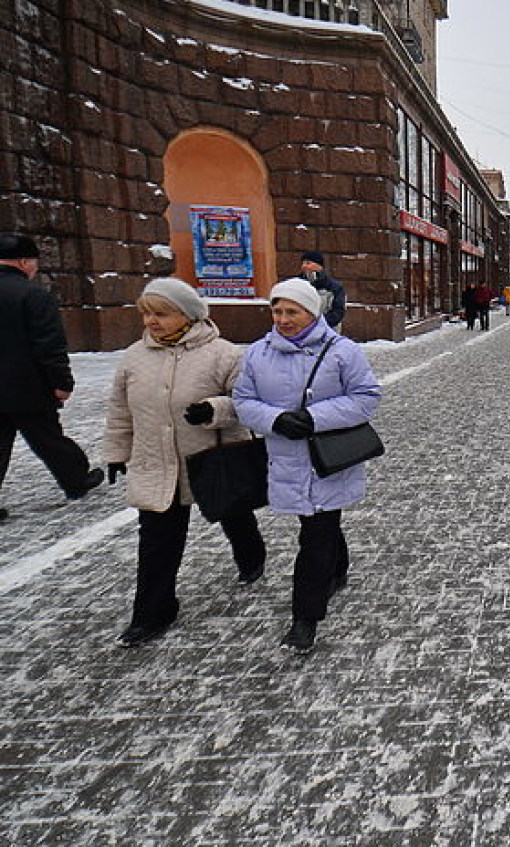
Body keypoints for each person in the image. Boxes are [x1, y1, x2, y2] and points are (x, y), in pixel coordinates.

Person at [104, 278, 266, 647]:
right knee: (157, 542)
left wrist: (215, 410)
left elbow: (248, 403)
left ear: (189, 315)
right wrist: (116, 452)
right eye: (146, 314)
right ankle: (152, 613)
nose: (151, 322)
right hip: (156, 463)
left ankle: (251, 554)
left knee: (234, 515)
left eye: (161, 314)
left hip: (212, 458)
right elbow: (119, 411)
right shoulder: (134, 357)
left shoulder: (224, 354)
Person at [234, 278, 380, 655]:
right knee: (317, 523)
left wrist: (314, 417)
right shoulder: (256, 353)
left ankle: (305, 618)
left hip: (328, 458)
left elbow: (366, 399)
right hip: (283, 457)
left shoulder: (342, 351)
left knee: (316, 532)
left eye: (291, 311)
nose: (282, 319)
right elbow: (243, 400)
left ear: (312, 312)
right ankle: (338, 568)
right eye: (277, 311)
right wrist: (275, 419)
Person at [0, 234, 103, 522]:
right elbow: (48, 345)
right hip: (27, 387)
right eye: (34, 262)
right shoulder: (34, 296)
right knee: (48, 439)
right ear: (23, 262)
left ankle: (76, 478)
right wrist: (61, 382)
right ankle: (76, 480)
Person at [299, 251, 347, 329]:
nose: (303, 266)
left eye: (308, 263)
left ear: (319, 266)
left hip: (328, 332)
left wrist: (317, 324)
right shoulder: (297, 284)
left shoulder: (335, 287)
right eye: (302, 263)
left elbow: (338, 312)